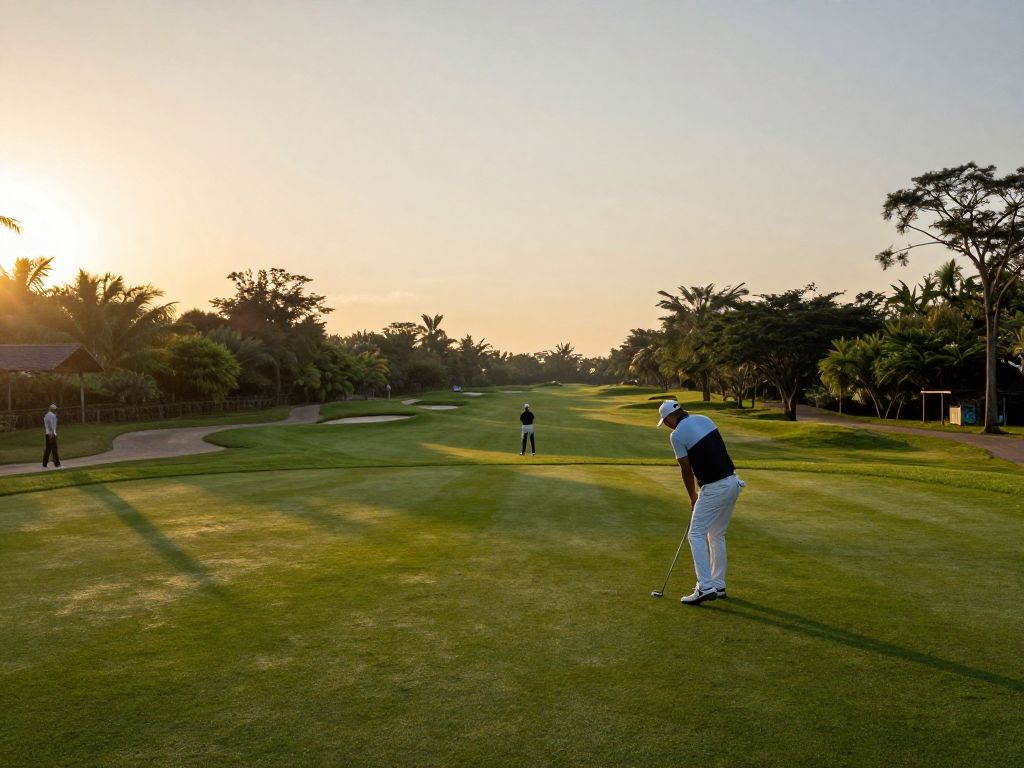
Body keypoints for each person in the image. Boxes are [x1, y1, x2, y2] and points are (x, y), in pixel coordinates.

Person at [657, 400, 743, 605]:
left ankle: (705, 587)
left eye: (665, 421)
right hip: (732, 482)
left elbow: (686, 469)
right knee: (716, 534)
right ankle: (718, 584)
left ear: (670, 418)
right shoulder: (705, 419)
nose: (667, 425)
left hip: (714, 488)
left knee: (695, 534)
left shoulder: (676, 435)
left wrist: (692, 496)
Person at [42, 403, 62, 469]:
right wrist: (53, 434)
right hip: (51, 435)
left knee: (48, 449)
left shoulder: (46, 415)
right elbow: (52, 426)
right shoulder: (53, 416)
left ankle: (44, 463)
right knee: (54, 449)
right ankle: (57, 464)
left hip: (47, 434)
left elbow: (47, 426)